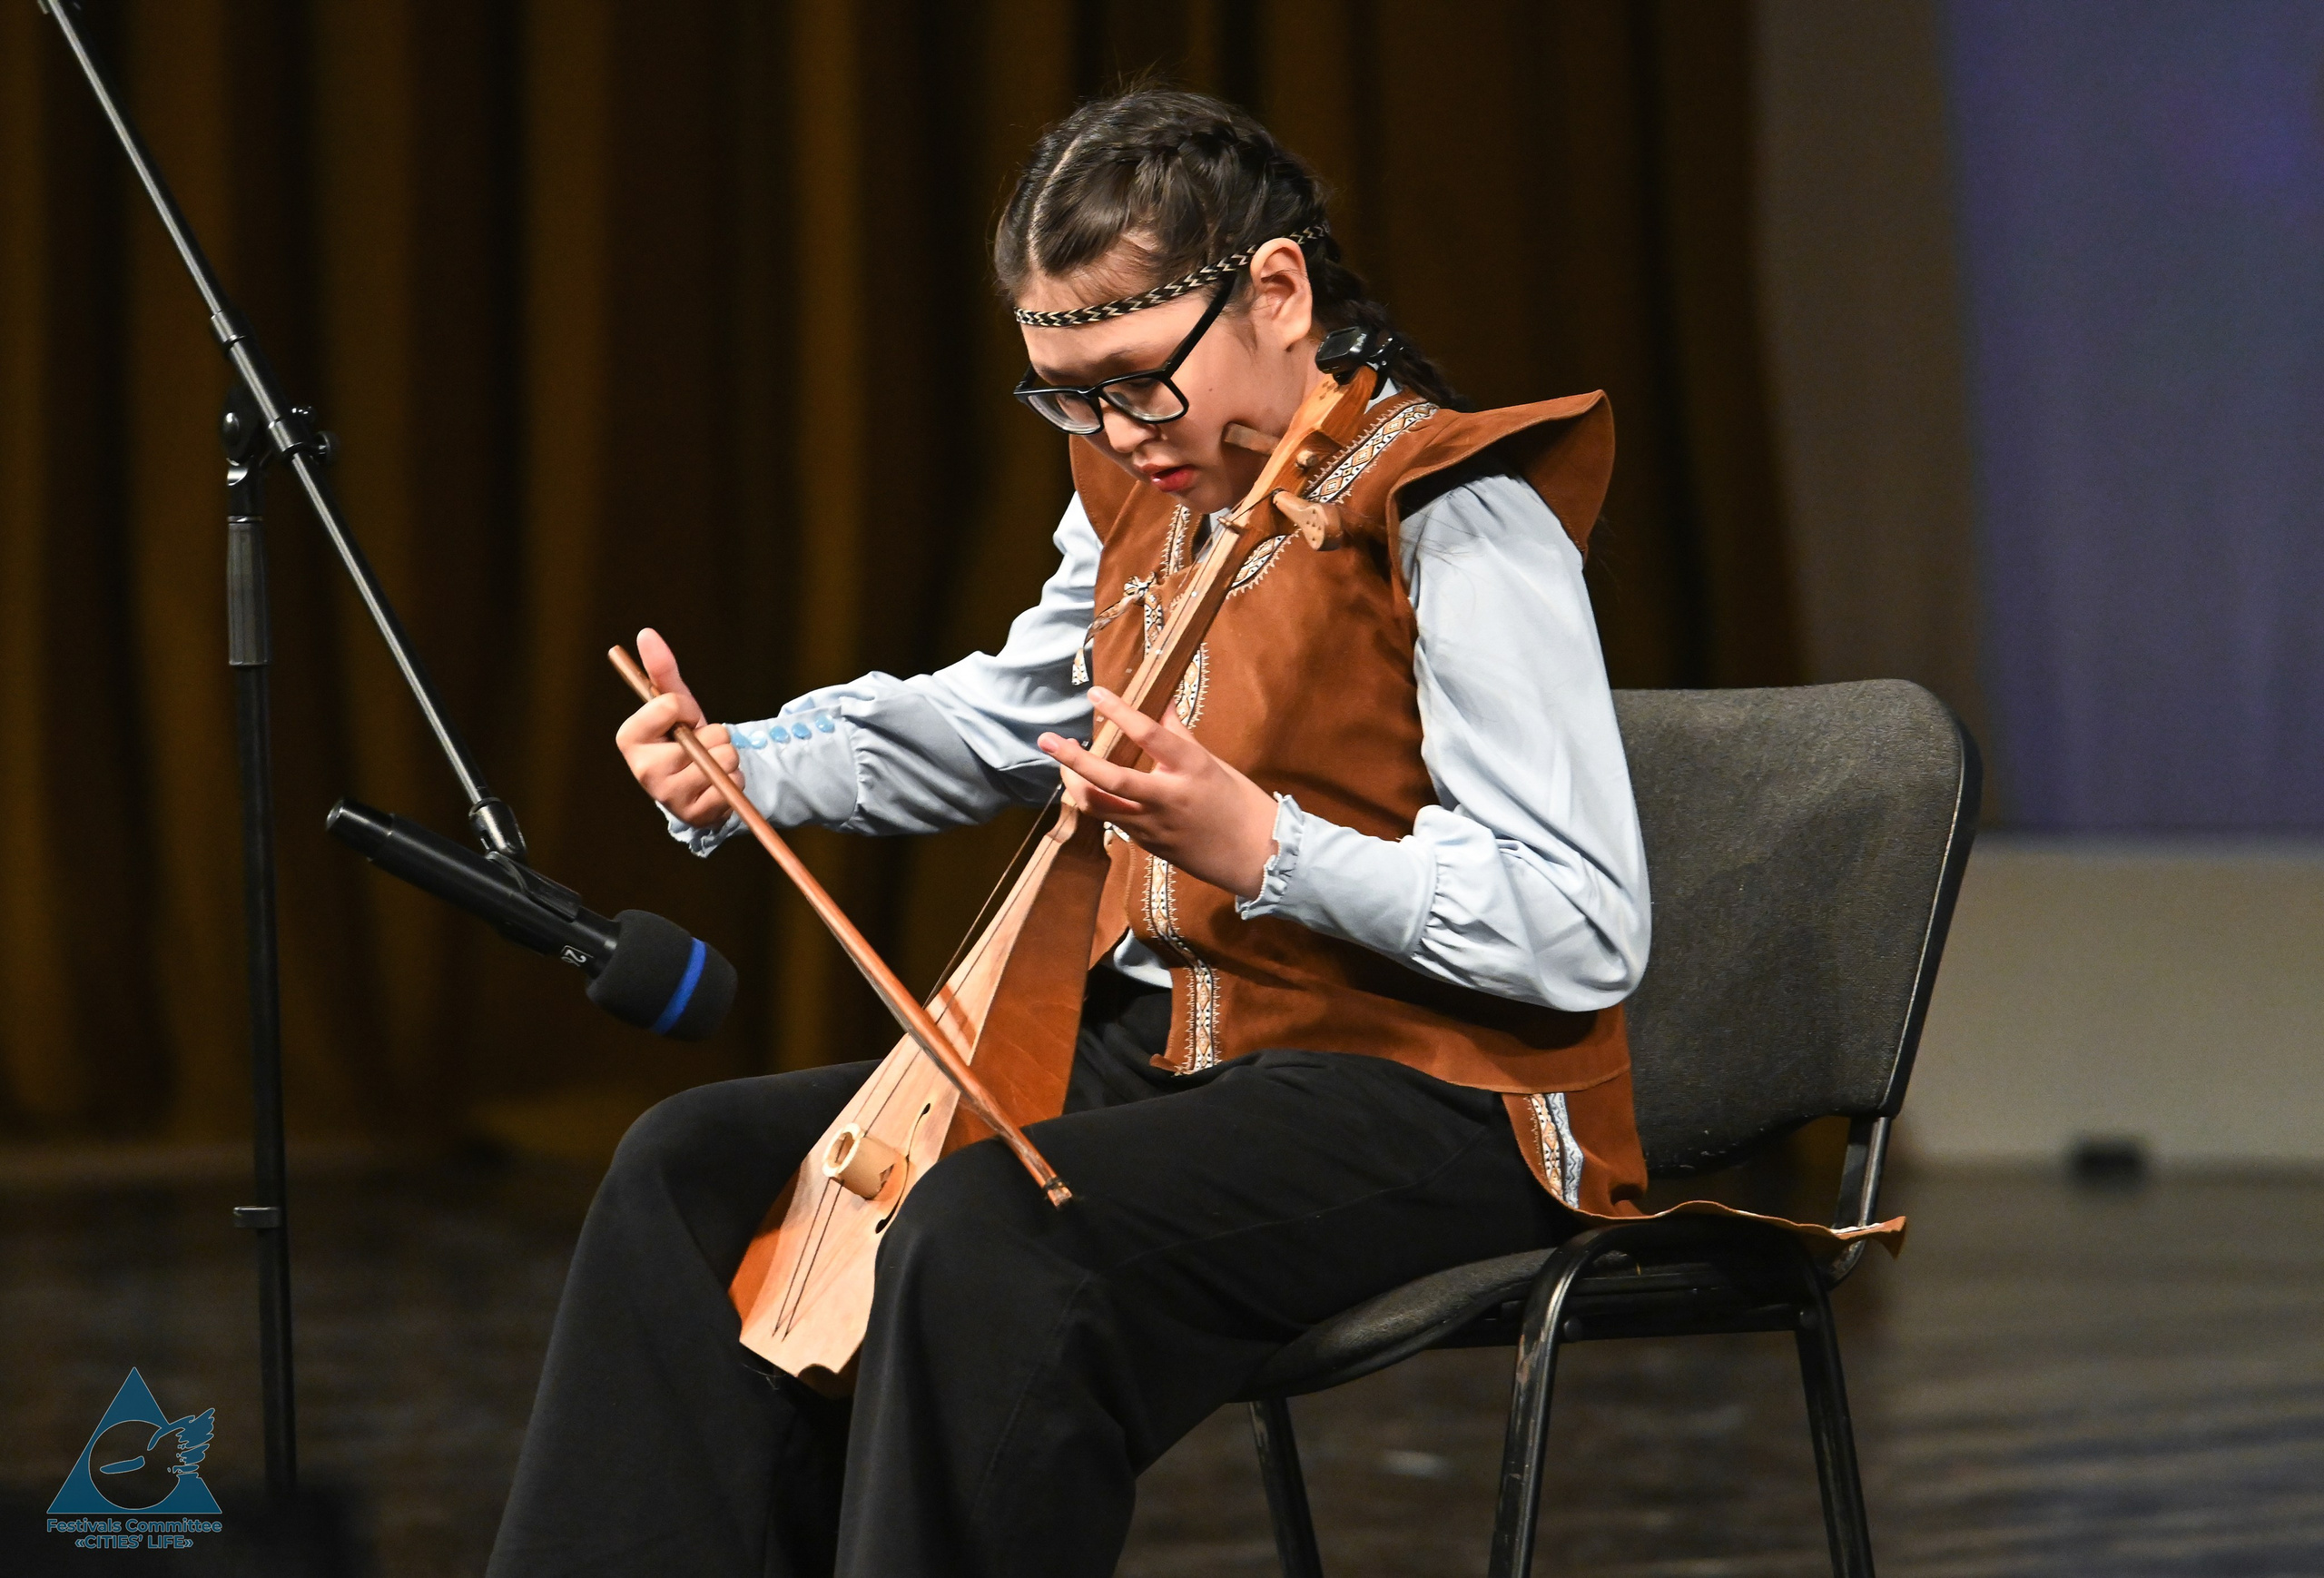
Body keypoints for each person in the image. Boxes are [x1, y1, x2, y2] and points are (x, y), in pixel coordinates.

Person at [487, 86, 1649, 1578]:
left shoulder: (1457, 511)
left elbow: (1586, 920)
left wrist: (1266, 844)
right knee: (695, 1171)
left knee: (989, 1240)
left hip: (1436, 1091)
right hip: (1170, 1062)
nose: (1107, 432)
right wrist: (754, 764)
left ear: (1277, 291)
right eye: (1063, 393)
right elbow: (1007, 717)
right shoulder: (1145, 488)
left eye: (1131, 381)